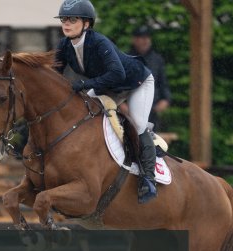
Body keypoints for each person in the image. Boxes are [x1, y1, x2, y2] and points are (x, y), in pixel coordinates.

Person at [54, 0, 157, 203]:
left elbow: (118, 74)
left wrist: (84, 84)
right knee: (84, 113)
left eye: (72, 19)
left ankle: (148, 178)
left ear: (86, 23)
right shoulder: (64, 45)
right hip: (108, 86)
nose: (66, 23)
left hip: (136, 82)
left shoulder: (99, 42)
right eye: (64, 19)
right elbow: (54, 73)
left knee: (137, 124)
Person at [129, 26, 171, 132]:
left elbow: (163, 83)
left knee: (151, 139)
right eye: (142, 38)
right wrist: (122, 105)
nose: (145, 41)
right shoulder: (127, 59)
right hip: (130, 111)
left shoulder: (157, 60)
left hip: (152, 112)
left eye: (147, 38)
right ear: (134, 39)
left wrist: (165, 100)